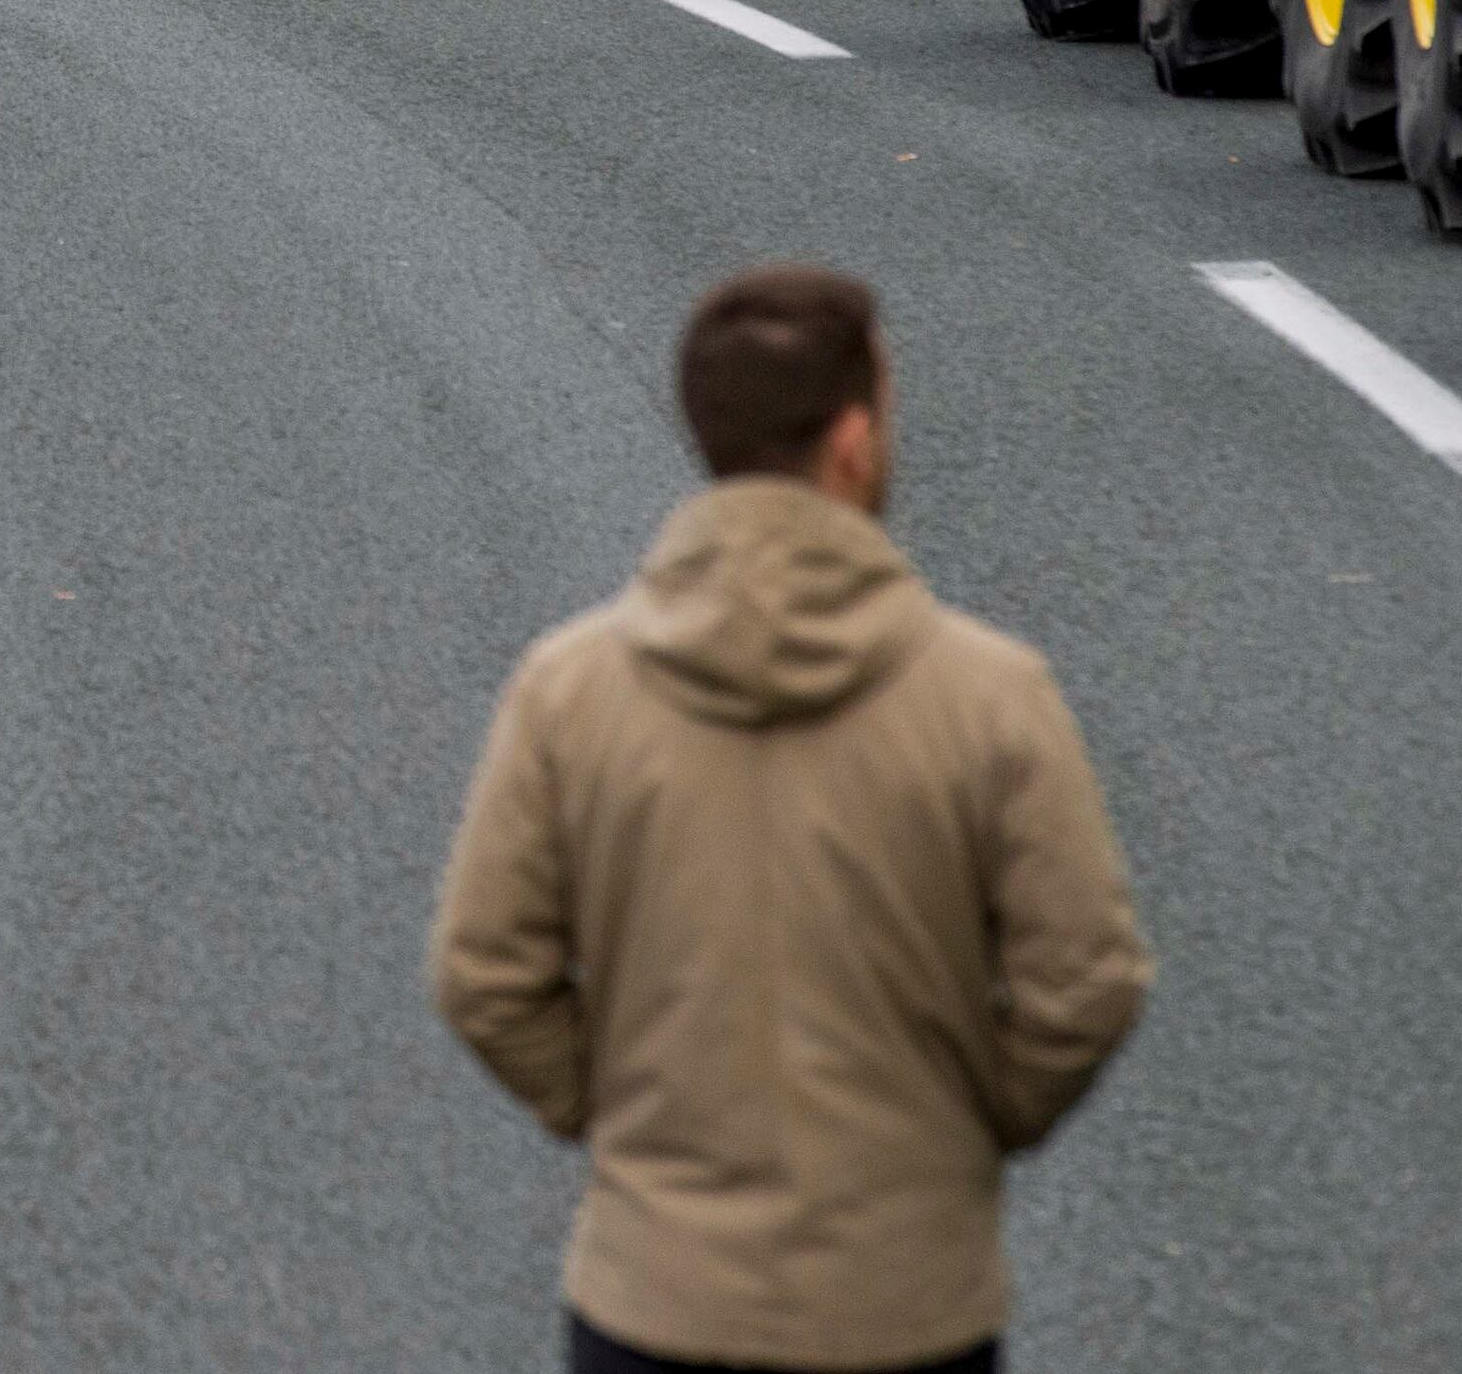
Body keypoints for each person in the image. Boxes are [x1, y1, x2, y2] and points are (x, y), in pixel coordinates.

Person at [431, 267, 1151, 1374]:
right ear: (853, 444)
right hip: (903, 1304)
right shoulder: (986, 694)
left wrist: (616, 1121)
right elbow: (1087, 978)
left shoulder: (567, 691)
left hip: (653, 1298)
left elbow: (484, 972)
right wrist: (968, 1124)